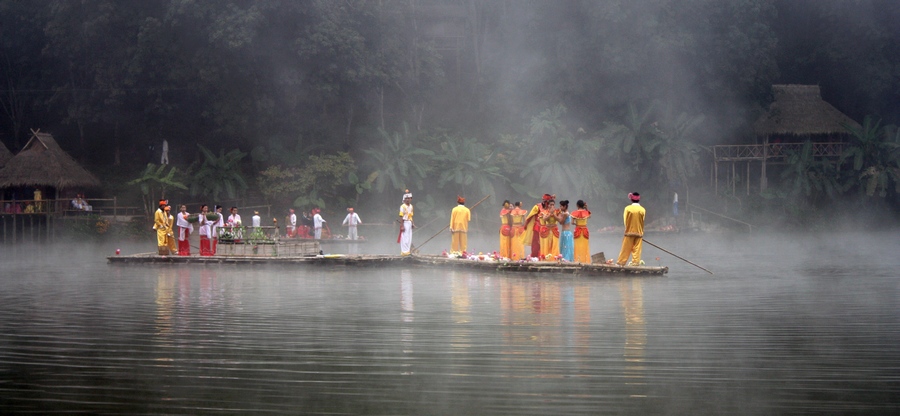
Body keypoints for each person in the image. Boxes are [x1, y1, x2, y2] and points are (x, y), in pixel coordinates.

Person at [616, 192, 646, 266]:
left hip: (629, 232)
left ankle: (621, 263)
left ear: (631, 200)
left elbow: (625, 220)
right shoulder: (642, 210)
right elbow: (642, 220)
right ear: (639, 200)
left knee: (625, 248)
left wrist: (627, 228)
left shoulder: (627, 208)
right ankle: (635, 263)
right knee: (637, 249)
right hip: (639, 233)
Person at [524, 194, 552, 258]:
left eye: (547, 202)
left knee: (546, 242)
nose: (546, 203)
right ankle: (535, 255)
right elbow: (530, 216)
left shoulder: (551, 208)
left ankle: (545, 255)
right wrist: (526, 224)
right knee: (536, 242)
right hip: (538, 226)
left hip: (547, 227)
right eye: (545, 201)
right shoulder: (537, 206)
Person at [398, 190, 415, 255]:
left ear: (411, 199)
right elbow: (401, 216)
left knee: (409, 237)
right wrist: (401, 225)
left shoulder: (411, 206)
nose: (407, 200)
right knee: (404, 237)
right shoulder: (402, 206)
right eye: (406, 198)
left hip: (409, 222)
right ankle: (404, 252)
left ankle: (408, 251)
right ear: (404, 199)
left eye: (409, 198)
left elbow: (411, 216)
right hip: (404, 222)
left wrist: (413, 223)